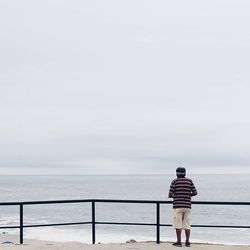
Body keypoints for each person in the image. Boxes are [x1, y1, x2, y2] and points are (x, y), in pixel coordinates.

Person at [168, 167, 197, 247]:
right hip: (187, 205)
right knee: (187, 224)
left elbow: (170, 195)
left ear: (177, 173)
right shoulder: (189, 181)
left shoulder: (175, 181)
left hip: (178, 205)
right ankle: (187, 242)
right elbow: (195, 192)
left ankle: (179, 242)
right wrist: (187, 195)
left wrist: (176, 195)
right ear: (185, 173)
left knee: (178, 224)